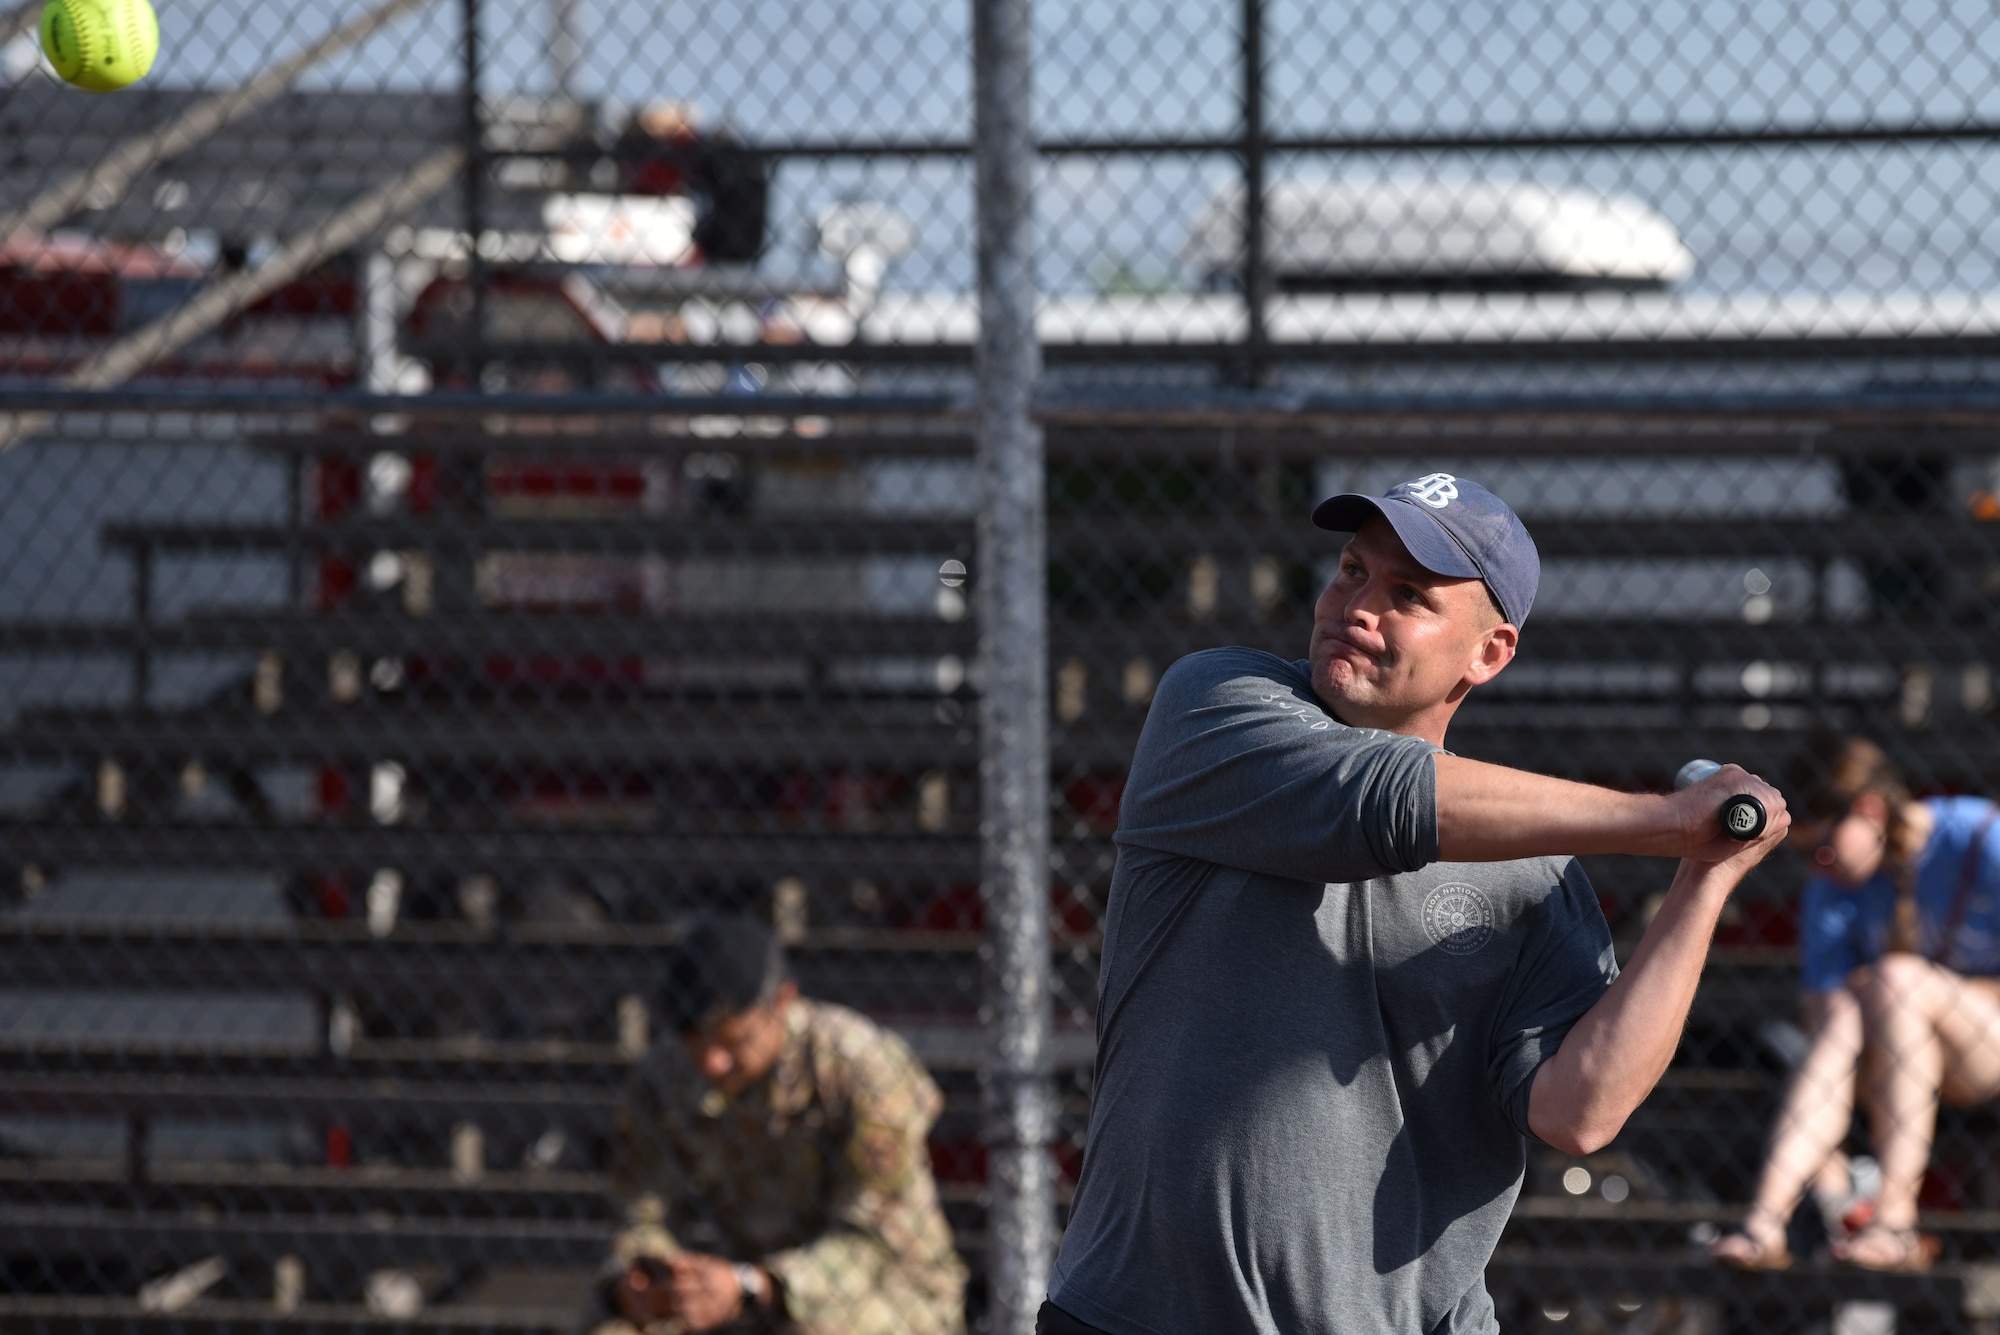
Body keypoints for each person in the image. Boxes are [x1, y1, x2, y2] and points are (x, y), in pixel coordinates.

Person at [1039, 472, 1790, 1335]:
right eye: (1352, 570)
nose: (1357, 605)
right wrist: (1665, 821)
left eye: (1407, 595)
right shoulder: (1218, 709)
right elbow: (1384, 797)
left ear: (1489, 652)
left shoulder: (1538, 874)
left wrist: (1707, 873)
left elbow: (1579, 1111)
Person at [1709, 735, 2000, 1273]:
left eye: (1823, 848)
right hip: (1891, 1059)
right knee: (1849, 1008)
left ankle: (1893, 1221)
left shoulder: (1980, 837)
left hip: (1986, 1044)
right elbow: (1825, 1019)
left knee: (1894, 980)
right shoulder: (1833, 887)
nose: (1818, 868)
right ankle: (1763, 1222)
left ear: (1869, 809)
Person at [598, 916, 966, 1335]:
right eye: (696, 1046)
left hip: (889, 1295)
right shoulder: (664, 1078)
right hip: (739, 1300)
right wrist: (646, 1278)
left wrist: (755, 1285)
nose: (713, 1063)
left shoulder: (859, 1065)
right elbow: (639, 1208)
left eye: (734, 1041)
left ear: (784, 1000)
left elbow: (874, 1240)